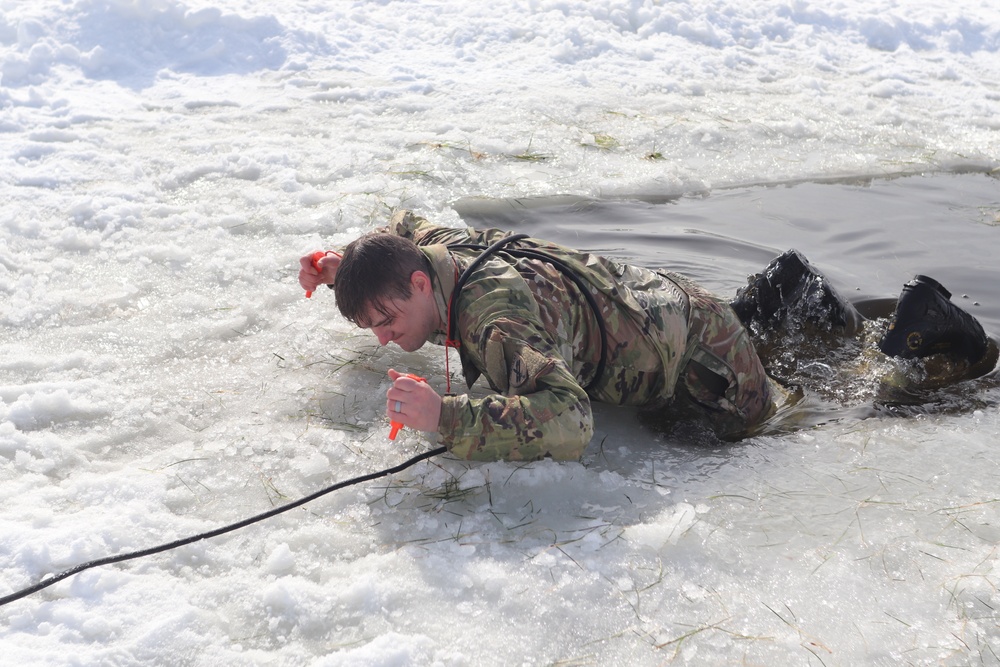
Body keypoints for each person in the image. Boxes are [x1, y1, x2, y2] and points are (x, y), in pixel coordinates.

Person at [299, 210, 994, 462]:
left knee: (823, 410)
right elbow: (405, 224)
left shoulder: (497, 321)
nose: (388, 340)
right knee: (742, 337)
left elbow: (569, 420)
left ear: (422, 286)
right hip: (662, 304)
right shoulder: (433, 250)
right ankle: (791, 290)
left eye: (388, 320)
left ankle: (921, 334)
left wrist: (446, 415)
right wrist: (343, 269)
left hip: (694, 358)